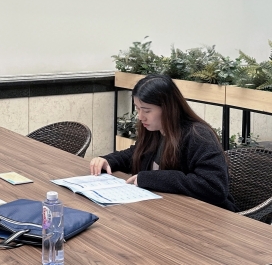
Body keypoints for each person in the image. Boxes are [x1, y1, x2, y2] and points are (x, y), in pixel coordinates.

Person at [90, 74, 237, 211]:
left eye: (147, 110)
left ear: (168, 109)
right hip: (169, 209)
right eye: (137, 109)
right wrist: (108, 161)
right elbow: (136, 153)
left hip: (206, 216)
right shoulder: (155, 129)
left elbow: (213, 187)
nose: (140, 116)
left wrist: (151, 178)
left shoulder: (198, 135)